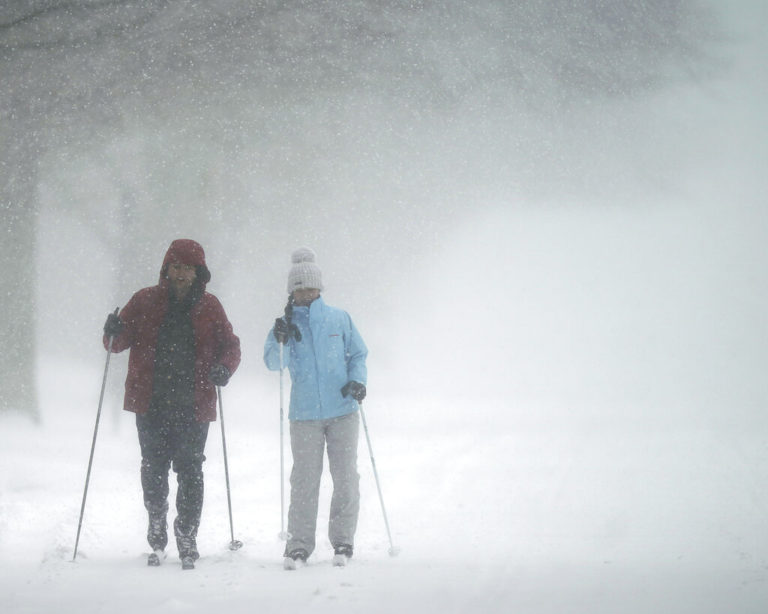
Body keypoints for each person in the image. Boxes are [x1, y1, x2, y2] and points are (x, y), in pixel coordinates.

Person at [102, 239, 240, 570]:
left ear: (199, 273)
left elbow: (230, 346)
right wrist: (111, 331)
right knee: (153, 466)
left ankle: (187, 534)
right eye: (176, 267)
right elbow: (117, 343)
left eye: (188, 269)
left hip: (194, 402)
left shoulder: (210, 306)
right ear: (166, 268)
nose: (180, 274)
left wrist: (224, 367)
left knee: (191, 470)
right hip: (151, 400)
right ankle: (157, 527)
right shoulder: (145, 300)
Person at [263, 247, 368, 570]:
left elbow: (358, 354)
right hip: (304, 414)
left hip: (343, 409)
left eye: (309, 287)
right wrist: (281, 338)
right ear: (291, 290)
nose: (305, 293)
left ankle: (343, 540)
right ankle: (298, 545)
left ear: (319, 288)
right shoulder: (284, 324)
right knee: (305, 480)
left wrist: (357, 381)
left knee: (346, 477)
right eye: (298, 288)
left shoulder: (339, 318)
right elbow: (272, 362)